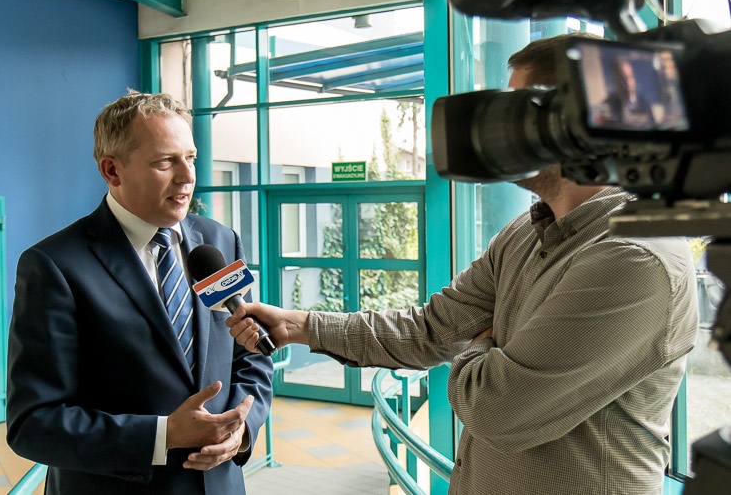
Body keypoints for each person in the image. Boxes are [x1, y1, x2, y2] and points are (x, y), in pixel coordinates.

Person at [227, 34, 699, 495]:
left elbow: (498, 409)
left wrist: (476, 349)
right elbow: (432, 328)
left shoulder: (634, 258)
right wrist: (299, 325)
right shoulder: (524, 231)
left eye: (515, 110)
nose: (498, 132)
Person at [6, 91, 274, 494]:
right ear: (112, 170)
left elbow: (250, 355)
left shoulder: (219, 243)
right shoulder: (54, 266)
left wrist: (243, 429)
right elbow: (32, 423)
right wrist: (163, 436)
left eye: (191, 157)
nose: (187, 176)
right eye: (165, 162)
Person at [594, 56, 656, 129]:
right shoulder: (606, 106)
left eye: (630, 77)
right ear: (614, 80)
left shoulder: (645, 105)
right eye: (622, 79)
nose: (627, 83)